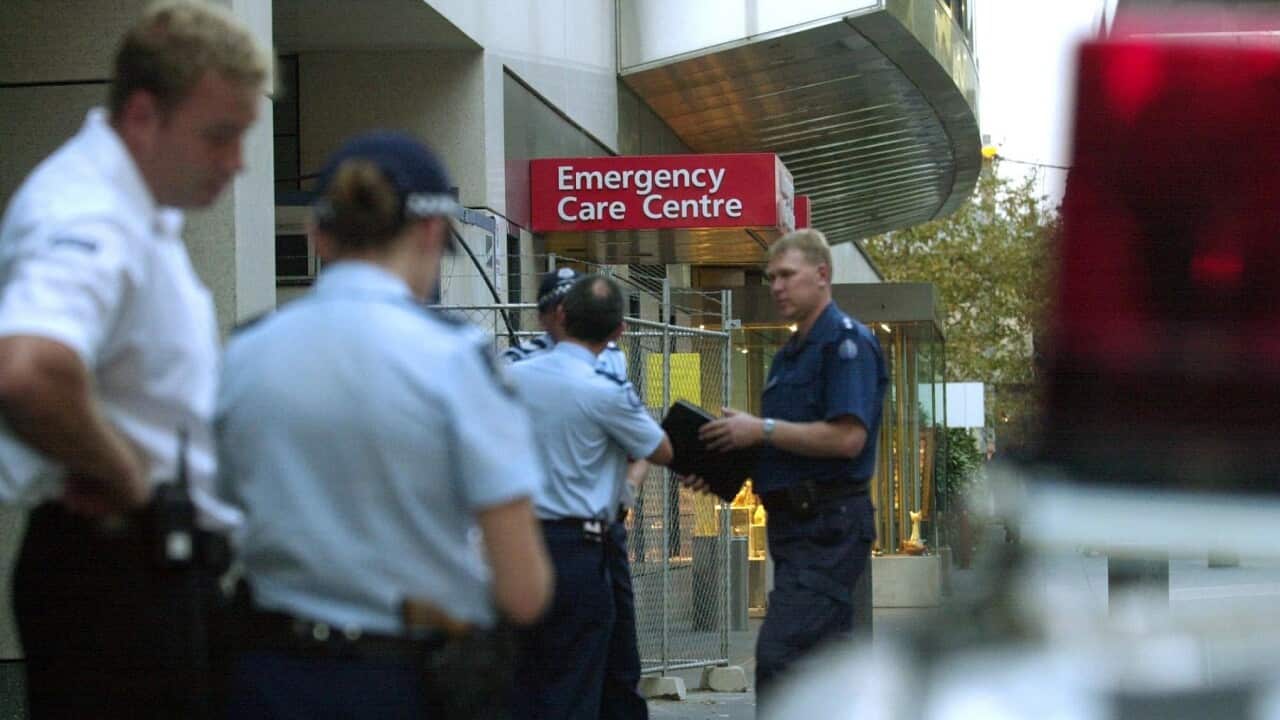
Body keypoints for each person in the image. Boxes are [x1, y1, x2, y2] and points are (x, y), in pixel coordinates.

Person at [214, 132, 553, 718]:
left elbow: (212, 520)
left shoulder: (245, 353)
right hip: (404, 681)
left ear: (315, 234)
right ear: (431, 232)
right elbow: (523, 591)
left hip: (263, 678)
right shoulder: (455, 359)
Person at [0, 3, 269, 717]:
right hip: (116, 571)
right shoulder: (89, 213)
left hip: (151, 569)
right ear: (144, 116)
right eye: (220, 136)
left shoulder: (141, 212)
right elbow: (27, 369)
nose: (237, 162)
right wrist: (126, 476)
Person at [683, 229, 887, 705]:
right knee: (822, 668)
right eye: (771, 276)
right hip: (795, 529)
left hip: (828, 526)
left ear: (822, 275)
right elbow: (780, 446)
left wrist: (762, 430)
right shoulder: (788, 356)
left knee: (780, 656)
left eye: (787, 275)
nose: (776, 286)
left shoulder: (846, 345)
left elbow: (847, 439)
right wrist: (722, 467)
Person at [507, 275, 674, 720]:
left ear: (561, 316)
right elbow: (658, 446)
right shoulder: (602, 383)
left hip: (520, 537)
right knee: (573, 675)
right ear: (618, 330)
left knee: (535, 675)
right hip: (578, 541)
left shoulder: (509, 375)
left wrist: (628, 488)